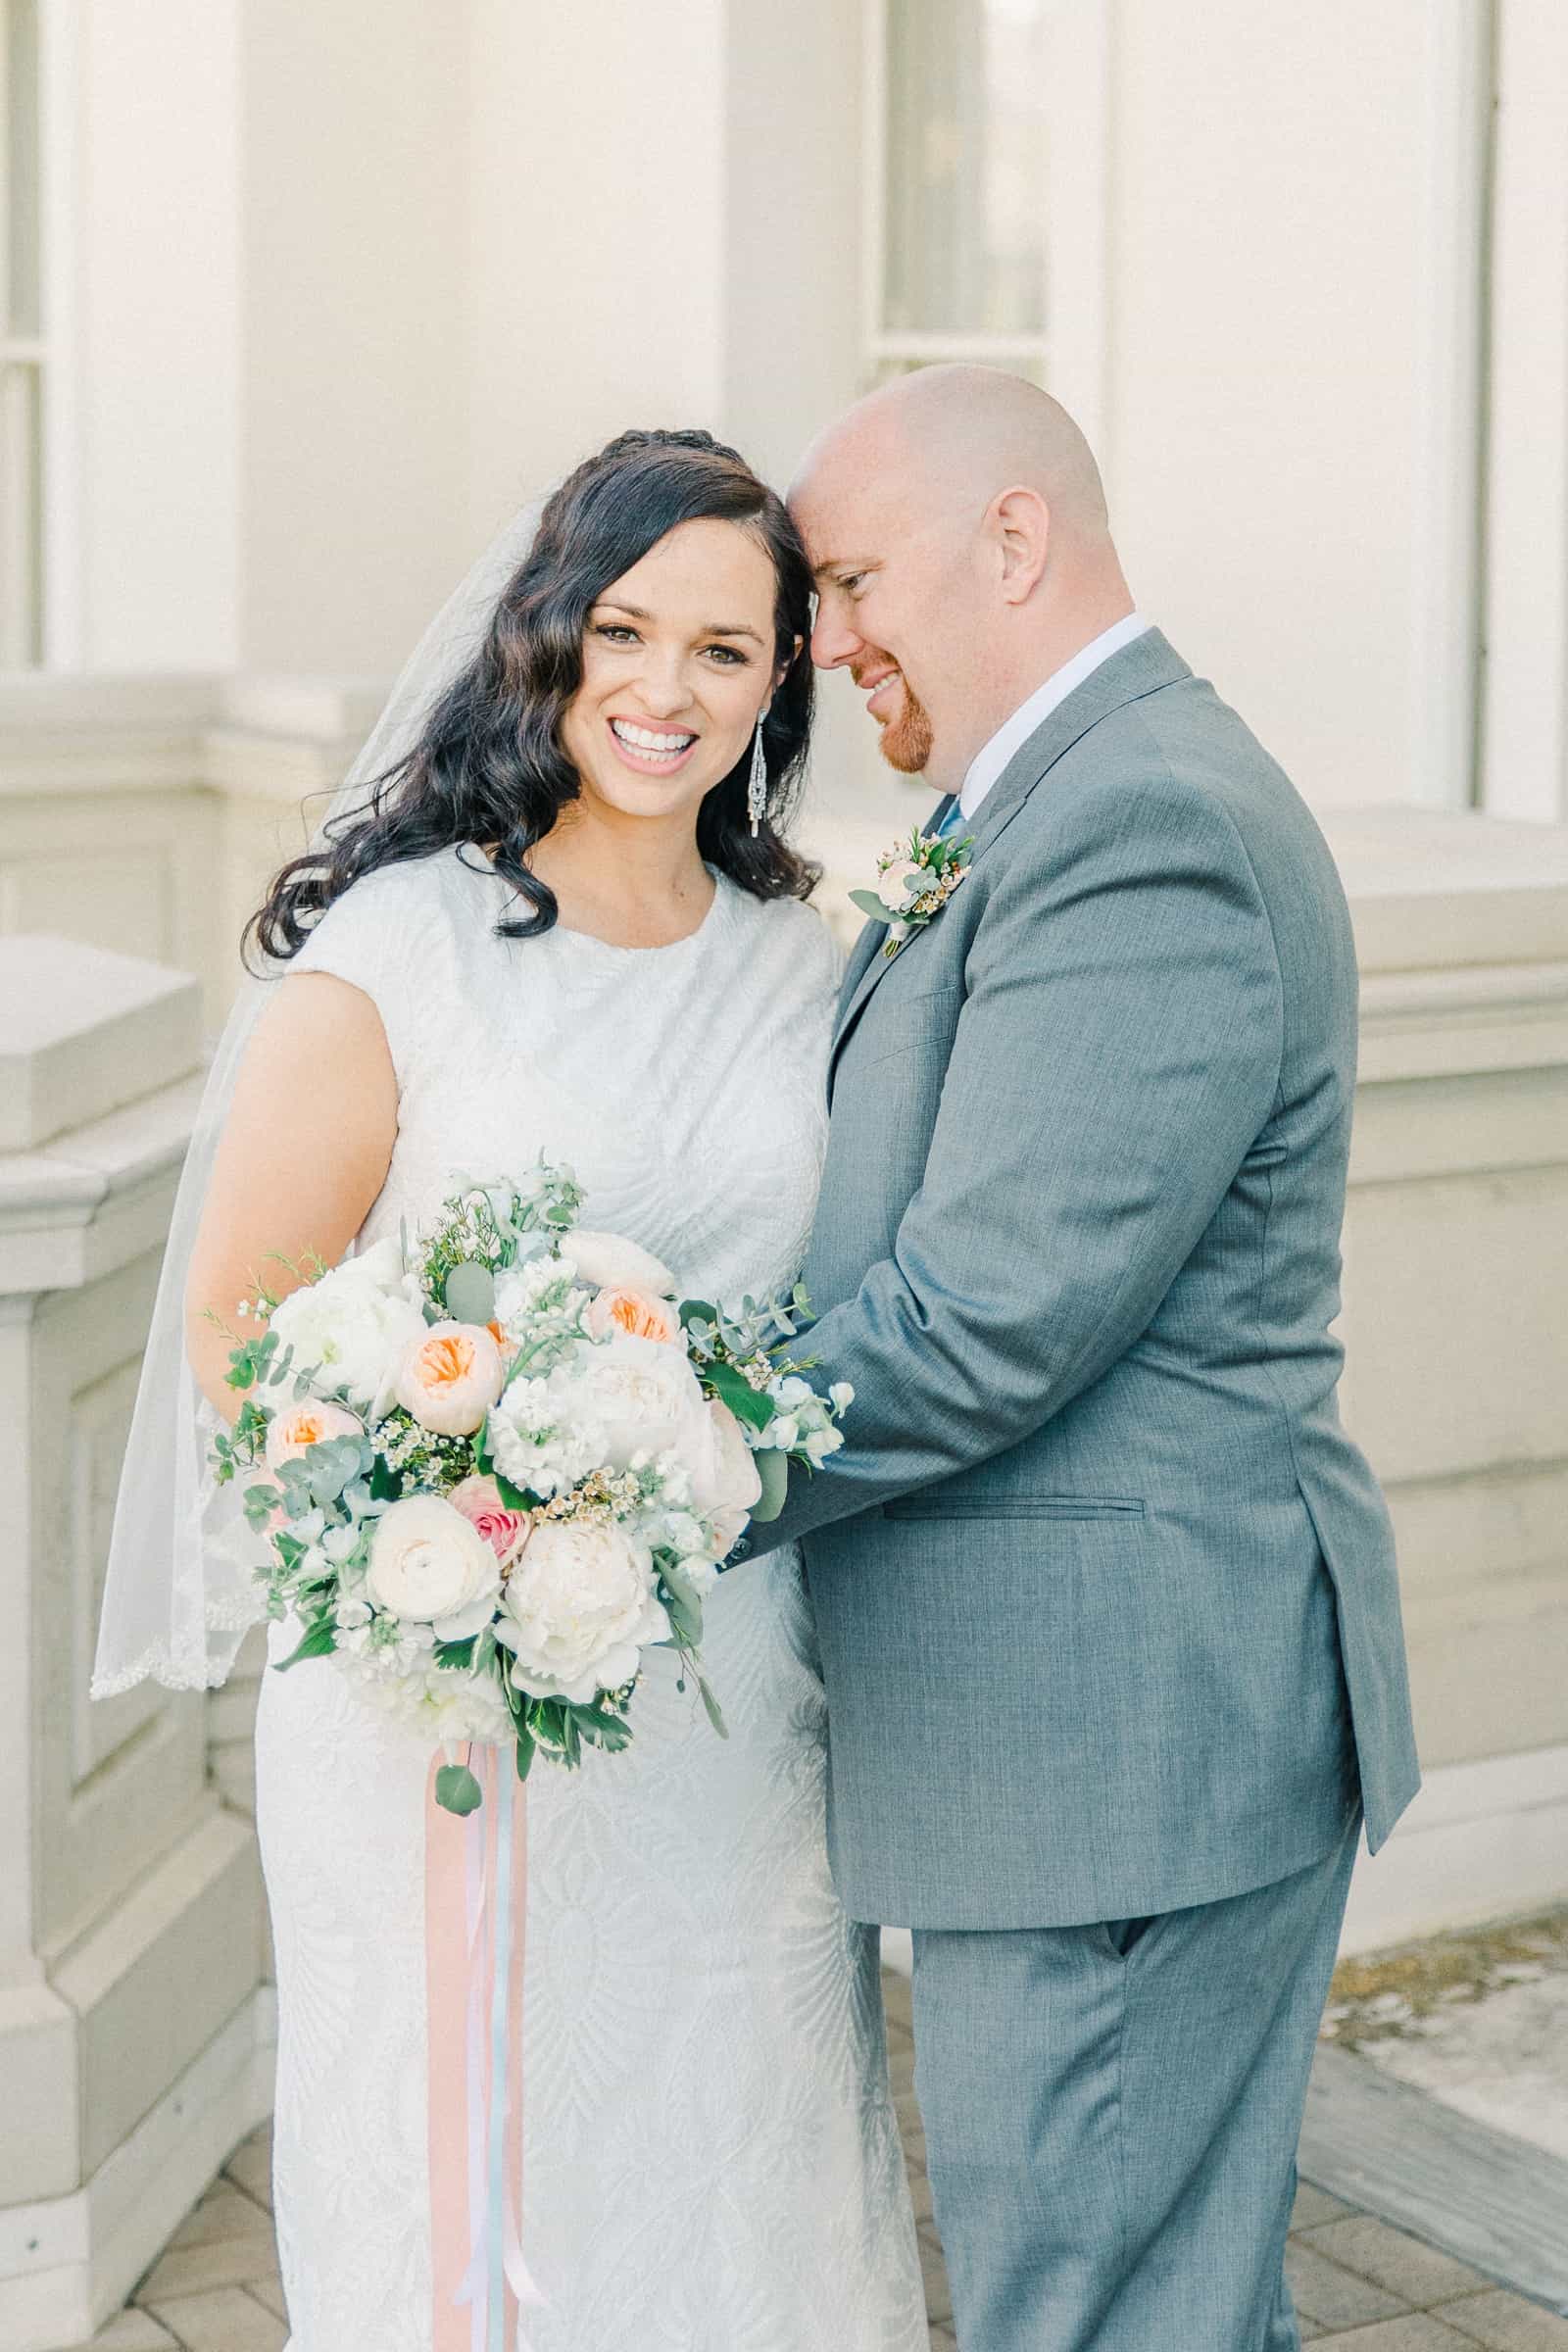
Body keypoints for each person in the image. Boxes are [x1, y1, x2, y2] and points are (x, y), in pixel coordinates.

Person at [97, 429, 927, 2351]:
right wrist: (430, 1545)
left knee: (730, 2142)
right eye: (623, 630)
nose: (664, 689)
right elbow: (246, 1318)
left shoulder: (806, 963)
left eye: (725, 649)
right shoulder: (405, 945)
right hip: (441, 1694)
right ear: (542, 637)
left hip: (728, 1683)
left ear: (778, 678)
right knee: (469, 2160)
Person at [738, 365, 1422, 2352]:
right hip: (1075, 1734)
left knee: (1100, 2313)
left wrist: (631, 1470)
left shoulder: (1138, 820)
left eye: (851, 582)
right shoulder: (1040, 796)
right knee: (1152, 2305)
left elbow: (986, 1313)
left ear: (1011, 539)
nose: (828, 644)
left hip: (1118, 1734)